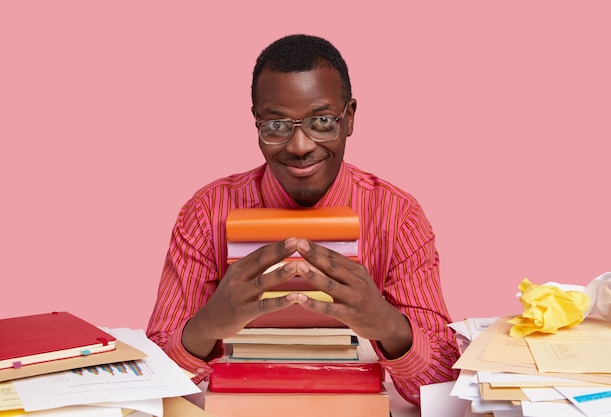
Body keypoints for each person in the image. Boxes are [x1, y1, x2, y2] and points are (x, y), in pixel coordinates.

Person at [147, 34, 460, 407]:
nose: (300, 146)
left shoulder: (398, 216)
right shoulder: (206, 213)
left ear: (350, 118)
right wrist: (205, 327)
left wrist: (388, 325)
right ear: (256, 122)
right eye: (276, 125)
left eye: (322, 121)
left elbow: (443, 386)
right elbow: (151, 383)